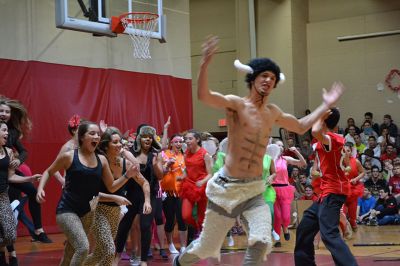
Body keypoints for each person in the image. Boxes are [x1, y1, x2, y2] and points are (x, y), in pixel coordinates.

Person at [174, 36, 344, 266]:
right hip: (227, 187)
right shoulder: (236, 104)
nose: (268, 80)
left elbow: (301, 125)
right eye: (264, 75)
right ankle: (179, 262)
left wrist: (325, 105)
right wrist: (204, 64)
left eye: (272, 78)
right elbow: (204, 96)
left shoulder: (272, 112)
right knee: (207, 247)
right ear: (252, 78)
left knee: (262, 240)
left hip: (254, 190)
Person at [36, 121, 138, 266]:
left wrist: (127, 175)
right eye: (92, 133)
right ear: (82, 137)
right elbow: (49, 171)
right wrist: (40, 188)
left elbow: (112, 186)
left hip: (89, 212)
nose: (96, 136)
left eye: (98, 134)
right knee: (83, 247)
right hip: (67, 210)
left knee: (71, 252)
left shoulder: (101, 160)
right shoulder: (69, 156)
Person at [294, 108, 358, 266]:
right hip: (325, 193)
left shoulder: (332, 139)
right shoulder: (327, 140)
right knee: (304, 228)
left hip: (334, 192)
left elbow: (315, 130)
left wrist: (323, 109)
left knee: (329, 234)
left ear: (323, 121)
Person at [83, 127, 150, 266]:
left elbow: (145, 182)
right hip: (96, 209)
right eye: (115, 142)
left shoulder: (125, 162)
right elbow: (110, 187)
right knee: (108, 250)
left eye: (120, 141)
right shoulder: (100, 161)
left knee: (101, 253)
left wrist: (147, 201)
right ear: (106, 145)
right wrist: (127, 176)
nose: (119, 145)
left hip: (114, 211)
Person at [114, 124, 163, 266]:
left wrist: (154, 165)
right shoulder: (131, 153)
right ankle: (117, 256)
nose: (147, 139)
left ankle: (143, 260)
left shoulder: (156, 155)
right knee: (124, 225)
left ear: (153, 139)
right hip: (132, 193)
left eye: (150, 137)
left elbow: (160, 176)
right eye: (145, 137)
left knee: (146, 225)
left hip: (150, 195)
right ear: (140, 139)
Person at [0, 121, 41, 266]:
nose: (7, 134)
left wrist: (29, 178)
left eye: (7, 131)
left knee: (10, 234)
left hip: (3, 197)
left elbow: (11, 177)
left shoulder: (8, 152)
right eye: (4, 131)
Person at [272, 140, 306, 248]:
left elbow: (303, 163)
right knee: (277, 217)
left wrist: (296, 151)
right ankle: (277, 238)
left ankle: (285, 228)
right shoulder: (268, 159)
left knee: (286, 217)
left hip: (285, 189)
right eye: (278, 145)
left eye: (282, 145)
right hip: (272, 190)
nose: (281, 147)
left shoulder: (285, 159)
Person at [341, 142, 365, 231]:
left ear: (351, 152)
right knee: (342, 213)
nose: (346, 152)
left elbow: (363, 172)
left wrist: (356, 179)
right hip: (341, 190)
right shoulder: (338, 162)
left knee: (352, 217)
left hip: (353, 189)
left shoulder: (356, 161)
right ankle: (343, 230)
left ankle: (353, 223)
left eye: (348, 151)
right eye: (344, 151)